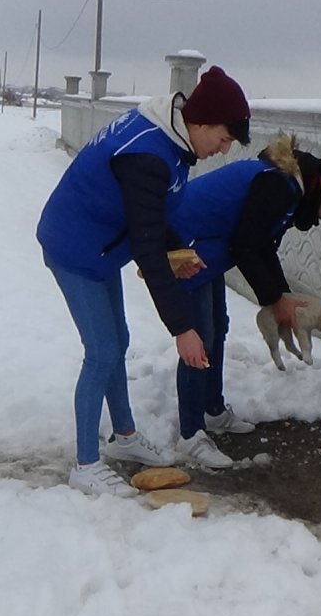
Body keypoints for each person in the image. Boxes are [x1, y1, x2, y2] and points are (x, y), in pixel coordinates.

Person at [37, 66, 251, 496]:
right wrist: (183, 328)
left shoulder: (169, 140)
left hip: (100, 246)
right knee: (101, 352)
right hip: (75, 247)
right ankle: (84, 463)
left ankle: (125, 437)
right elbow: (146, 243)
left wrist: (175, 252)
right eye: (224, 139)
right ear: (202, 122)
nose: (224, 149)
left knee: (117, 339)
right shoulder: (149, 155)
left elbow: (152, 217)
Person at [166, 134, 321, 463]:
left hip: (207, 246)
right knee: (200, 335)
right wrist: (276, 300)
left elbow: (263, 246)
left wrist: (282, 297)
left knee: (218, 325)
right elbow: (245, 246)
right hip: (182, 243)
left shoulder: (293, 188)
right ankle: (190, 434)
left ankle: (212, 409)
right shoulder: (280, 186)